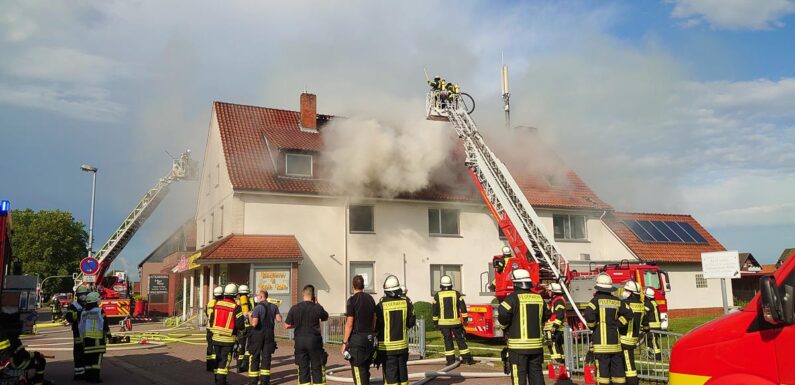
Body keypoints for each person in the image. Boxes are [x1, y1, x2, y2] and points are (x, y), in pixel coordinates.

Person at [497, 269, 550, 385]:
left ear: (515, 283)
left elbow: (503, 314)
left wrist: (504, 327)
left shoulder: (512, 298)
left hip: (518, 347)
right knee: (536, 375)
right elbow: (547, 314)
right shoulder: (539, 298)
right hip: (536, 346)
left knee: (519, 378)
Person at [584, 273, 633, 385]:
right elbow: (629, 314)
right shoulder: (617, 301)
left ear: (598, 287)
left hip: (601, 345)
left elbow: (589, 316)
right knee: (618, 374)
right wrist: (618, 323)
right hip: (615, 344)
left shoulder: (595, 301)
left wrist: (593, 326)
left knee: (603, 374)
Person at [376, 275, 416, 385]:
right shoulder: (406, 302)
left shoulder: (381, 305)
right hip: (402, 347)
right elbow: (411, 322)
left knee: (391, 377)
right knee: (403, 375)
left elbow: (376, 325)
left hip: (387, 349)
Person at [285, 285, 329, 385]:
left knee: (303, 369)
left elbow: (287, 325)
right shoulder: (317, 307)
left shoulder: (295, 308)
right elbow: (325, 317)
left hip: (300, 341)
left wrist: (297, 325)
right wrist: (317, 303)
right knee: (317, 368)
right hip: (314, 341)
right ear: (313, 295)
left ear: (303, 294)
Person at [341, 275, 377, 385]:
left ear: (353, 286)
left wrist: (344, 343)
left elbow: (349, 323)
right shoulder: (371, 299)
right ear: (363, 286)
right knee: (365, 371)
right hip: (369, 340)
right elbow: (374, 319)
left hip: (357, 342)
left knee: (358, 373)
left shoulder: (352, 301)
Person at [432, 275, 473, 365]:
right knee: (460, 340)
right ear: (451, 284)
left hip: (443, 324)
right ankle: (466, 359)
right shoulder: (456, 294)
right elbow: (463, 307)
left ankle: (450, 361)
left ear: (441, 285)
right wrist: (465, 319)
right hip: (456, 322)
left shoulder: (437, 295)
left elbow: (435, 310)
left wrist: (435, 322)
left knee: (448, 341)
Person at [210, 283, 245, 385]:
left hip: (216, 338)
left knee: (218, 360)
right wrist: (243, 331)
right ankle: (221, 383)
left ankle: (218, 381)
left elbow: (211, 320)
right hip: (228, 340)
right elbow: (240, 325)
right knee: (224, 362)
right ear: (235, 294)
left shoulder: (217, 305)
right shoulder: (236, 307)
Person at [247, 290, 282, 385]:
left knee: (255, 357)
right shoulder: (274, 306)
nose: (256, 297)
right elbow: (279, 319)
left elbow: (254, 324)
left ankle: (253, 381)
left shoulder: (257, 308)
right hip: (269, 335)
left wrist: (250, 316)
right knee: (266, 358)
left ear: (261, 297)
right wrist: (276, 311)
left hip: (257, 335)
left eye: (257, 295)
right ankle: (265, 381)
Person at [620, 281, 647, 385]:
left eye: (626, 290)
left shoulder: (625, 304)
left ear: (631, 292)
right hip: (634, 337)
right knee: (627, 362)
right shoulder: (641, 305)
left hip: (625, 338)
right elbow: (644, 322)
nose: (624, 292)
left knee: (628, 364)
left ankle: (632, 382)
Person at [79, 291, 110, 383]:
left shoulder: (84, 312)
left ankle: (88, 377)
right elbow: (105, 325)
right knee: (96, 361)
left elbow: (80, 326)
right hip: (98, 341)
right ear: (95, 300)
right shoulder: (99, 311)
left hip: (86, 341)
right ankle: (95, 378)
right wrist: (109, 335)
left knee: (88, 360)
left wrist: (82, 339)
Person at [65, 286, 89, 380]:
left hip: (89, 333)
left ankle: (87, 372)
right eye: (81, 295)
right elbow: (69, 317)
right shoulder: (74, 306)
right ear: (77, 296)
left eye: (84, 294)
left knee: (88, 354)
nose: (83, 296)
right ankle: (79, 374)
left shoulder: (90, 304)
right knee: (79, 354)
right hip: (78, 334)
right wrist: (80, 314)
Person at [545, 282, 566, 364]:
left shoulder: (558, 300)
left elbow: (560, 315)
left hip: (554, 328)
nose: (548, 292)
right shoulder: (556, 300)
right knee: (558, 346)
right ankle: (562, 363)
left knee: (553, 345)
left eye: (550, 291)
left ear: (553, 291)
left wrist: (554, 326)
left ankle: (557, 363)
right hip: (556, 328)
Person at [237, 284, 255, 372]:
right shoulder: (252, 300)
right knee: (249, 346)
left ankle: (239, 366)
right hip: (250, 326)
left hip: (241, 327)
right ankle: (245, 364)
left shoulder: (238, 301)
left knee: (241, 346)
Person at [206, 286, 223, 372]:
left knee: (209, 346)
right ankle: (214, 365)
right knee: (216, 347)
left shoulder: (210, 302)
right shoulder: (220, 303)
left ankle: (209, 365)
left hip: (209, 327)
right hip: (216, 328)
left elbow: (207, 313)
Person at [643, 287, 662, 360]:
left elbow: (645, 315)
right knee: (649, 340)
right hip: (657, 325)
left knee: (653, 341)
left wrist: (644, 324)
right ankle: (650, 354)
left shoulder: (647, 304)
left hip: (652, 326)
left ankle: (657, 356)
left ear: (646, 295)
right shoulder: (654, 302)